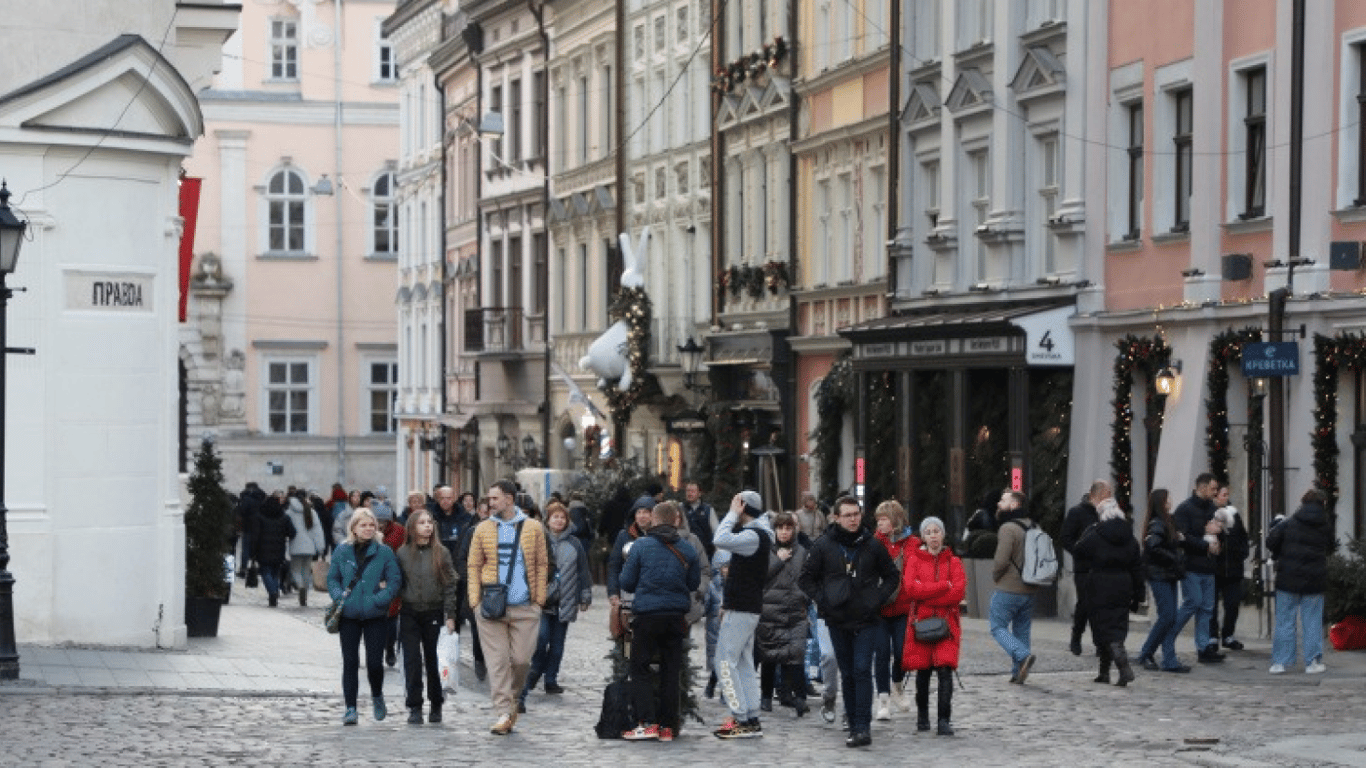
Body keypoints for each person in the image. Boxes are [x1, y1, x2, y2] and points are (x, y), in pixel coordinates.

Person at [798, 496, 899, 748]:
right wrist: (823, 600)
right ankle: (853, 724)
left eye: (856, 514)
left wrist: (877, 598)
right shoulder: (823, 545)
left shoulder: (872, 545)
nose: (853, 519)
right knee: (848, 672)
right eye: (848, 515)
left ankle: (863, 727)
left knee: (863, 669)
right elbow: (806, 578)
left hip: (867, 618)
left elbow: (892, 576)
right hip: (837, 618)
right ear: (836, 517)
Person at [467, 480, 550, 735]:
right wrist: (475, 602)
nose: (490, 503)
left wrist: (538, 600)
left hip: (525, 606)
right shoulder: (482, 528)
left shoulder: (534, 527)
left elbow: (541, 563)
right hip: (491, 607)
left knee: (522, 661)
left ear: (509, 499)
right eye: (489, 499)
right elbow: (473, 566)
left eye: (494, 499)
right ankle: (503, 711)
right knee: (498, 662)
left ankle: (512, 701)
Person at [618, 501, 702, 742]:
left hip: (647, 615)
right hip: (676, 617)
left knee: (640, 667)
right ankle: (668, 727)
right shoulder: (687, 549)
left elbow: (626, 582)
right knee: (671, 671)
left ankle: (647, 722)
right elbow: (694, 584)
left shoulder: (641, 546)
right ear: (676, 520)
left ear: (654, 520)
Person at [328, 508, 403, 725]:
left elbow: (394, 581)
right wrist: (339, 597)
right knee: (350, 662)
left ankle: (377, 695)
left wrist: (379, 599)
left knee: (374, 663)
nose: (369, 529)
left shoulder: (384, 552)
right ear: (354, 527)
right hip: (349, 614)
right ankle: (350, 708)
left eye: (372, 525)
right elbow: (332, 578)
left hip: (375, 614)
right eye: (363, 525)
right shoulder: (342, 551)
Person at [711, 490, 776, 739]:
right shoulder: (757, 534)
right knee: (743, 662)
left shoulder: (752, 535)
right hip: (745, 607)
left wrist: (730, 514)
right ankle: (750, 716)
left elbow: (720, 538)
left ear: (742, 506)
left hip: (743, 608)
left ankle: (740, 717)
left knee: (724, 662)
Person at [520, 501, 592, 705]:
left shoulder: (575, 543)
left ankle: (551, 679)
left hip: (565, 599)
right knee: (541, 638)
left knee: (558, 645)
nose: (559, 520)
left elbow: (583, 571)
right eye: (555, 517)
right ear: (547, 519)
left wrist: (585, 596)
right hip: (542, 600)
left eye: (562, 517)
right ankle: (536, 669)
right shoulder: (539, 540)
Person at [899, 516, 964, 736]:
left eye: (937, 531)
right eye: (928, 532)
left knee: (945, 671)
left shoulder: (954, 562)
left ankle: (944, 720)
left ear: (943, 534)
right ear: (923, 536)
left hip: (947, 624)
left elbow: (957, 593)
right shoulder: (914, 561)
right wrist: (942, 587)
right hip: (922, 623)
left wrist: (927, 594)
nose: (933, 535)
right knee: (923, 672)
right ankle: (922, 717)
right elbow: (910, 589)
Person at [396, 509, 458, 724]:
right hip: (409, 612)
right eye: (422, 522)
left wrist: (450, 614)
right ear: (412, 528)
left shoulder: (441, 552)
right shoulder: (402, 553)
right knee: (412, 661)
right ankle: (414, 706)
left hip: (434, 611)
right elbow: (397, 582)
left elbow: (450, 584)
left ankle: (436, 703)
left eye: (430, 522)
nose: (427, 526)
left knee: (434, 660)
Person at [1073, 498, 1143, 686]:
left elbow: (1079, 549)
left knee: (1102, 628)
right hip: (1123, 584)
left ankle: (1120, 667)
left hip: (1100, 584)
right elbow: (1137, 567)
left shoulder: (1096, 533)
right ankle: (1107, 673)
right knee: (1117, 627)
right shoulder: (1130, 536)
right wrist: (1139, 593)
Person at [1267, 489, 1335, 674]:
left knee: (1285, 621)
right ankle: (1312, 662)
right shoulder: (1325, 525)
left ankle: (1280, 662)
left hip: (1287, 578)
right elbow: (1330, 546)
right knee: (1312, 621)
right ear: (1323, 504)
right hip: (1314, 580)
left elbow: (1271, 541)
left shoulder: (1289, 523)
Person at [757, 512, 810, 717]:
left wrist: (803, 597)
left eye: (788, 528)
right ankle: (766, 697)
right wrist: (777, 561)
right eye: (780, 528)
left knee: (795, 655)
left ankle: (799, 697)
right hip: (770, 611)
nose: (784, 532)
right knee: (769, 657)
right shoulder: (766, 552)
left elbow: (807, 578)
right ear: (775, 531)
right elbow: (760, 578)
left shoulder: (802, 552)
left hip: (795, 611)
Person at [1169, 473, 1225, 663]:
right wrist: (1205, 542)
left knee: (1207, 609)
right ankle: (1168, 636)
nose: (1215, 492)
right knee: (1192, 603)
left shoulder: (1212, 508)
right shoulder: (1185, 509)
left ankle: (1203, 648)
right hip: (1191, 565)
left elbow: (1219, 529)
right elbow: (1182, 538)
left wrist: (1218, 541)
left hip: (1209, 566)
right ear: (1201, 487)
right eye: (1212, 488)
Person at [872, 500, 918, 719]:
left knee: (902, 653)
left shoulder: (912, 543)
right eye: (878, 520)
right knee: (881, 653)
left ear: (896, 520)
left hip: (904, 607)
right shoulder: (874, 542)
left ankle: (897, 685)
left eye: (884, 519)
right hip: (879, 608)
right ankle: (883, 699)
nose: (880, 524)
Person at [1136, 489, 1190, 673]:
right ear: (1161, 502)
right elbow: (1153, 546)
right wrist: (1174, 558)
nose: (1170, 501)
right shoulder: (1158, 522)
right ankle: (1146, 652)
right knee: (1167, 616)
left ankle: (1167, 658)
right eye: (1167, 499)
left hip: (1168, 574)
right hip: (1159, 574)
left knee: (1170, 617)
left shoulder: (1167, 520)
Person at [990, 490, 1039, 683]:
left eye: (1003, 500)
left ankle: (1022, 655)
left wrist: (995, 575)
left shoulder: (1008, 528)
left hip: (1009, 587)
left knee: (997, 627)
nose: (999, 504)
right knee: (1022, 630)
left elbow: (1001, 560)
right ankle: (1018, 672)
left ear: (1014, 505)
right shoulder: (1034, 525)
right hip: (1030, 588)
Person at [1061, 480, 1110, 656]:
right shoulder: (1077, 512)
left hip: (1104, 567)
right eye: (1106, 493)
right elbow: (1066, 538)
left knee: (1102, 605)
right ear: (1095, 495)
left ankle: (1101, 643)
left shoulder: (1107, 514)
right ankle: (1076, 635)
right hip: (1084, 568)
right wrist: (1080, 551)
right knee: (1086, 604)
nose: (1109, 497)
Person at [1208, 485, 1250, 651]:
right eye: (1223, 494)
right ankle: (1212, 637)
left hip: (1233, 568)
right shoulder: (1209, 513)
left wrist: (1241, 553)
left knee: (1232, 604)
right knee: (1211, 605)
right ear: (1216, 496)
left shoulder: (1234, 514)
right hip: (1214, 568)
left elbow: (1243, 537)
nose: (1226, 497)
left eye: (1227, 494)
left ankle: (1228, 635)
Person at [455, 497, 492, 681]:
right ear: (479, 512)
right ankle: (479, 659)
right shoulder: (471, 532)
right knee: (478, 627)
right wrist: (470, 579)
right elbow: (461, 558)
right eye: (485, 512)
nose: (488, 516)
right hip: (476, 587)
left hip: (497, 588)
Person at [607, 496, 654, 638]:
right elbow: (614, 566)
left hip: (652, 594)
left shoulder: (661, 537)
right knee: (624, 631)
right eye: (638, 512)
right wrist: (613, 592)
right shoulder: (624, 536)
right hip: (627, 595)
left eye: (646, 512)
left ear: (654, 515)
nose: (642, 516)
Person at [375, 504, 407, 667]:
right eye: (378, 520)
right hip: (374, 579)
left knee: (392, 616)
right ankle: (376, 650)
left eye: (384, 521)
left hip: (393, 577)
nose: (380, 524)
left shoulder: (399, 531)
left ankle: (390, 649)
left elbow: (404, 552)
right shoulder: (370, 531)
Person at [251, 493, 296, 607]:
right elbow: (292, 532)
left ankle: (273, 592)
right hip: (279, 548)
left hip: (263, 549)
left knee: (266, 572)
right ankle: (274, 592)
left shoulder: (259, 517)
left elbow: (255, 536)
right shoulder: (284, 517)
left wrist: (253, 551)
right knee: (275, 572)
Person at [285, 492, 325, 607]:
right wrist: (320, 547)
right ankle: (304, 596)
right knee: (306, 572)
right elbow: (317, 531)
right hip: (310, 547)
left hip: (295, 546)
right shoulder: (311, 512)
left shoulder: (289, 512)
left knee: (295, 570)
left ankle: (300, 586)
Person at [681, 482, 719, 559]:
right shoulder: (680, 508)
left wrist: (717, 552)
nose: (689, 493)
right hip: (685, 553)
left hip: (706, 553)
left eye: (693, 491)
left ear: (699, 494)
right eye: (688, 491)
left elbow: (716, 531)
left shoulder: (708, 510)